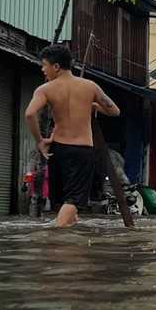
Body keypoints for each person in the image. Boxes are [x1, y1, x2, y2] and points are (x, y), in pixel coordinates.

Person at [25, 44, 120, 228]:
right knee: (73, 201)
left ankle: (66, 235)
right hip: (82, 150)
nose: (42, 69)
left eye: (44, 65)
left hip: (58, 150)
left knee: (61, 202)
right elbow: (114, 111)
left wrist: (40, 142)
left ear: (56, 67)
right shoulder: (90, 87)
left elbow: (29, 114)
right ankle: (58, 237)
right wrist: (93, 106)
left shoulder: (45, 89)